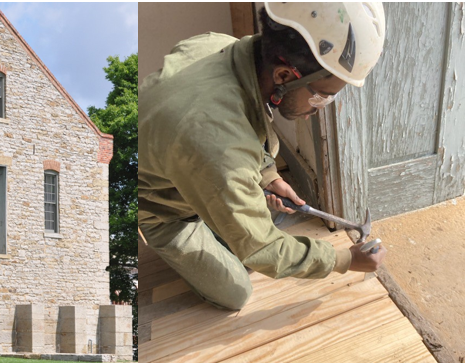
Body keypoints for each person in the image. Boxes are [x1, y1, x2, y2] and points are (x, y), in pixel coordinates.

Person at [138, 2, 389, 310]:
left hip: (193, 162)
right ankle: (194, 232)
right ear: (284, 75)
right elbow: (262, 248)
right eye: (320, 98)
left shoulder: (221, 45)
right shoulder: (216, 143)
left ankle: (225, 224)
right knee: (237, 291)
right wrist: (346, 258)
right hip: (165, 211)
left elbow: (244, 124)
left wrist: (269, 175)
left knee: (264, 215)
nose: (314, 112)